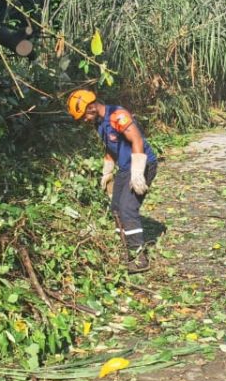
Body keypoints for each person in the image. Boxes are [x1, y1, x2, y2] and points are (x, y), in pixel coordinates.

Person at [67, 89, 158, 272]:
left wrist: (138, 171)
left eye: (84, 116)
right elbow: (111, 146)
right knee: (116, 208)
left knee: (127, 208)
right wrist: (108, 171)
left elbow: (137, 140)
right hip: (125, 168)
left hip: (142, 163)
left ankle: (139, 257)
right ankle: (125, 250)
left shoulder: (118, 116)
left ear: (91, 108)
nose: (84, 121)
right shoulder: (99, 123)